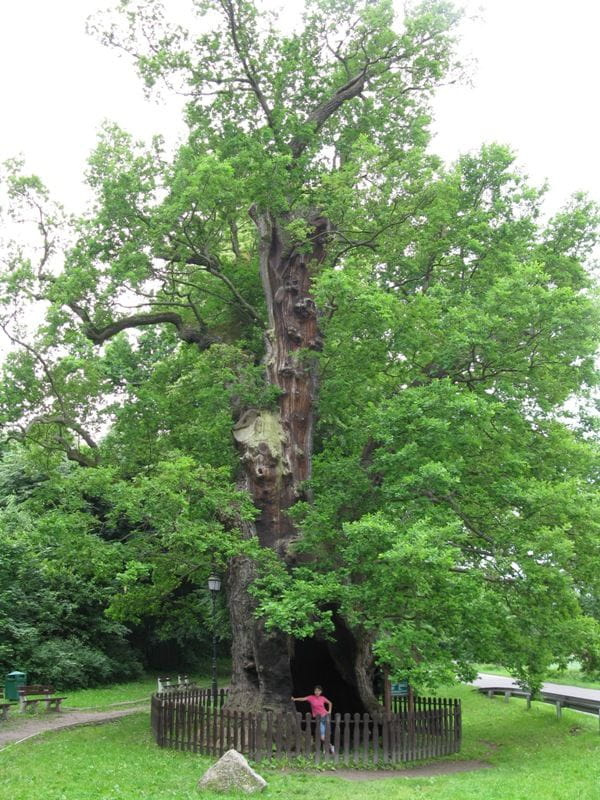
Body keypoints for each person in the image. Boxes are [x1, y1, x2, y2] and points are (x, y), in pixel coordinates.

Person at [291, 685, 334, 752]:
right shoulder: (311, 698)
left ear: (321, 692)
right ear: (314, 691)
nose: (317, 692)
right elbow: (303, 699)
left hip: (326, 716)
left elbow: (330, 703)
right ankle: (331, 746)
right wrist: (295, 699)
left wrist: (329, 711)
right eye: (316, 690)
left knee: (327, 734)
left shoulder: (322, 698)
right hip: (319, 719)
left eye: (318, 691)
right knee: (322, 737)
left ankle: (326, 749)